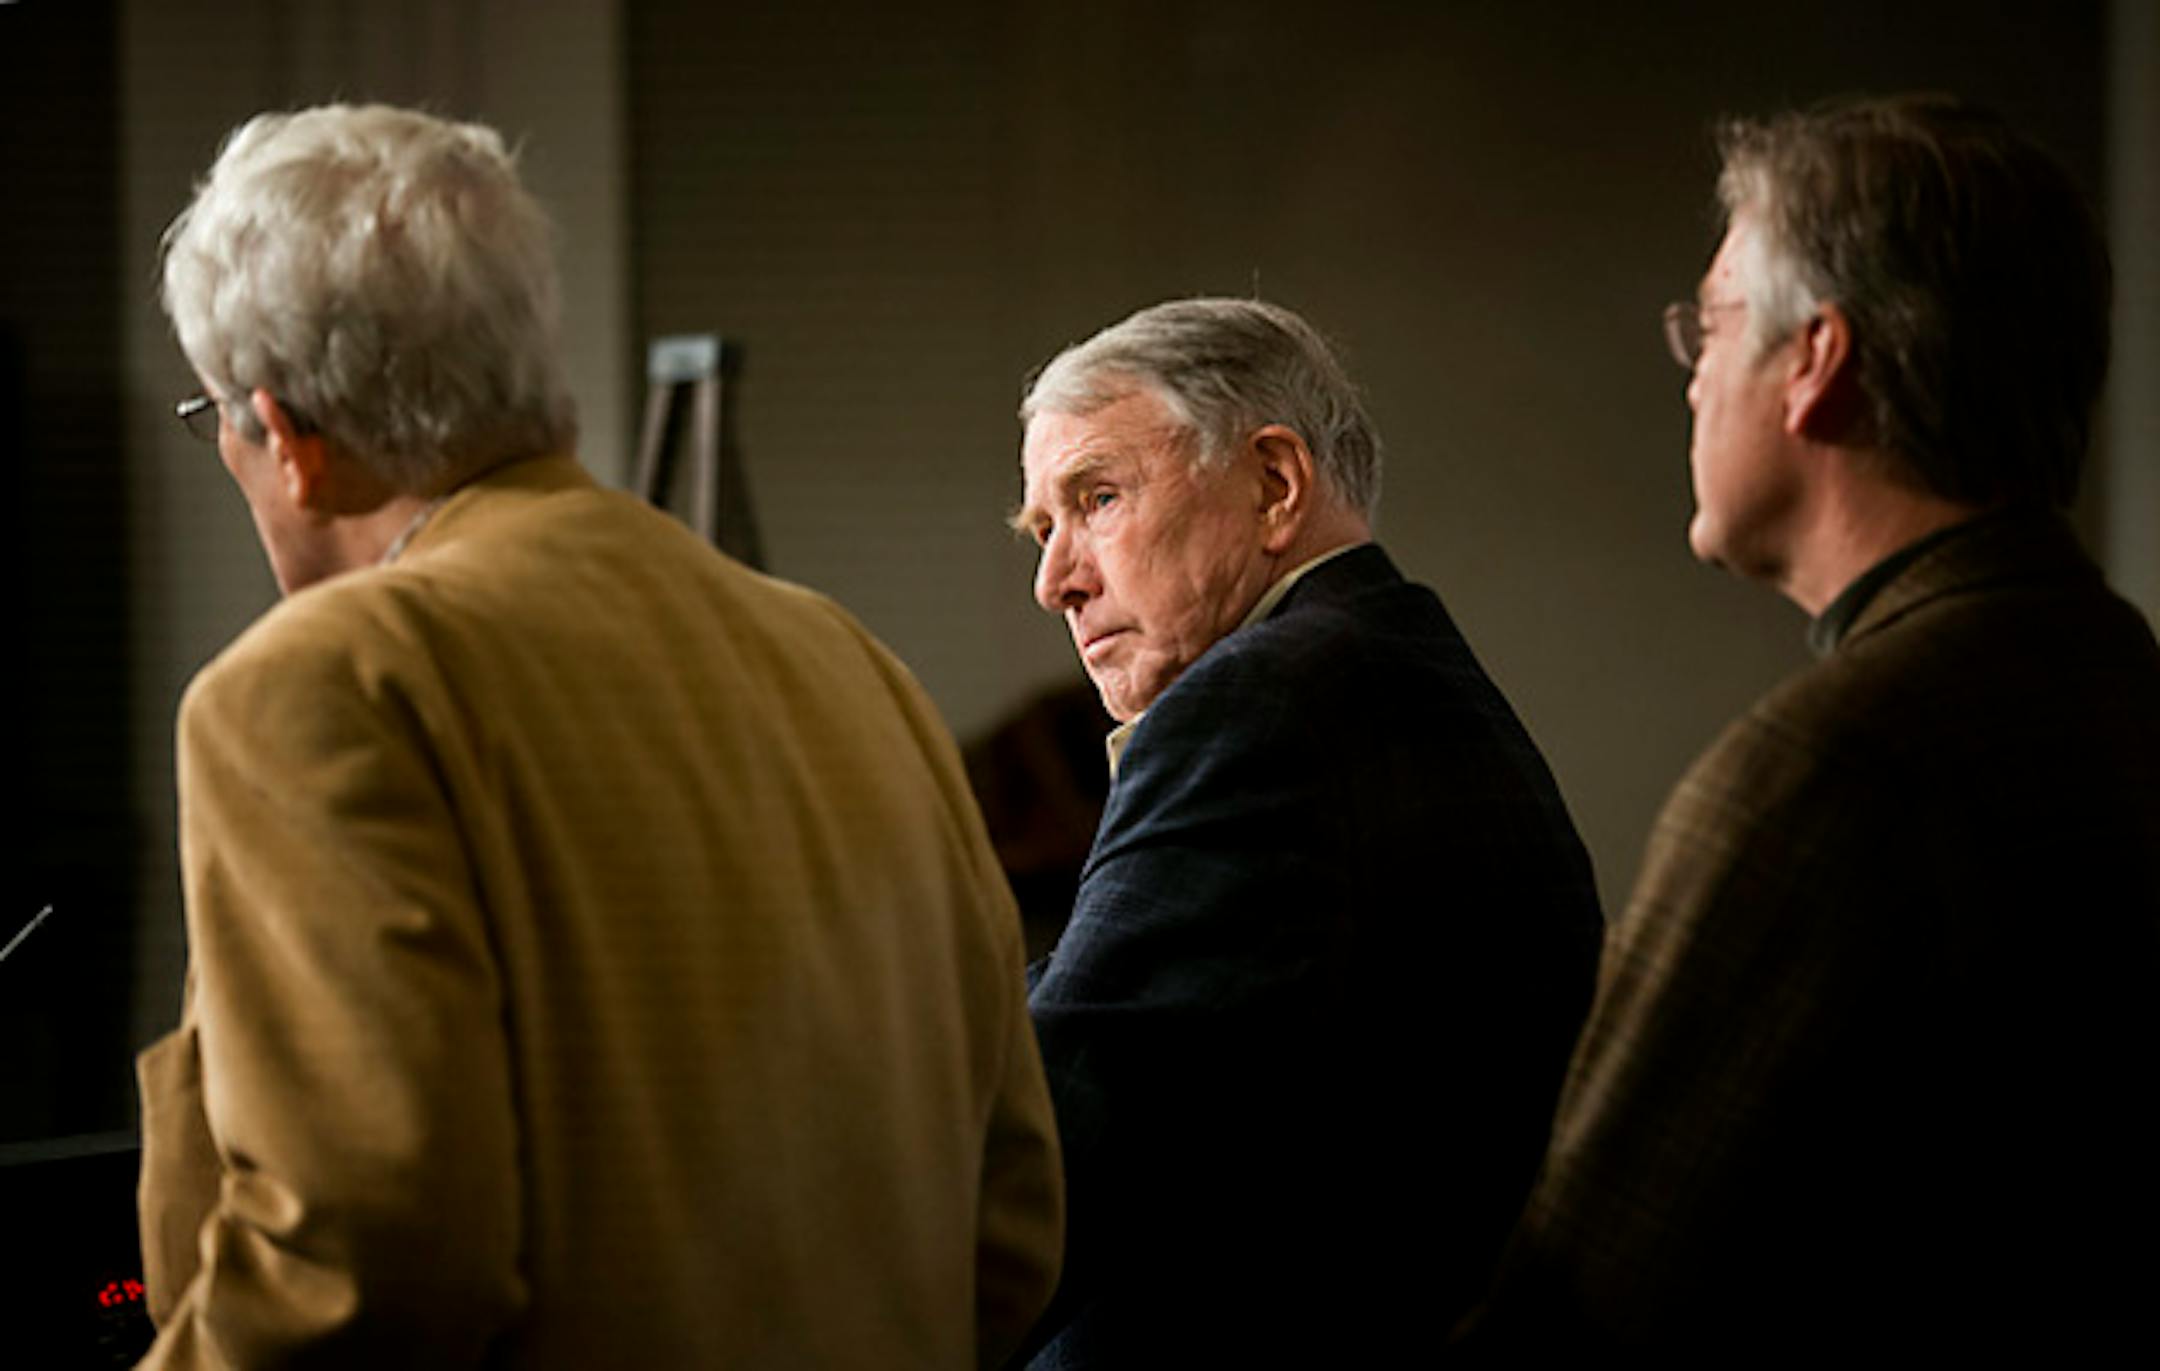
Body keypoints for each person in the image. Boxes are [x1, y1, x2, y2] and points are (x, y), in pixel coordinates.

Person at [138, 103, 1061, 1369]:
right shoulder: (849, 661)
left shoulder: (317, 687)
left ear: (285, 437)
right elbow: (1009, 1226)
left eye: (218, 428)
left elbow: (362, 1264)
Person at [1462, 94, 2160, 1353]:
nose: (1691, 380)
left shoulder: (1834, 772)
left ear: (1816, 362)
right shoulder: (2115, 680)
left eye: (1713, 326)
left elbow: (1576, 1320)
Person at [1008, 297, 1603, 1366]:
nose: (1055, 580)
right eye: (1043, 530)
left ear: (1275, 485)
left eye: (1096, 499)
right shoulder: (1390, 671)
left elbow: (1052, 1162)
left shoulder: (1264, 710)